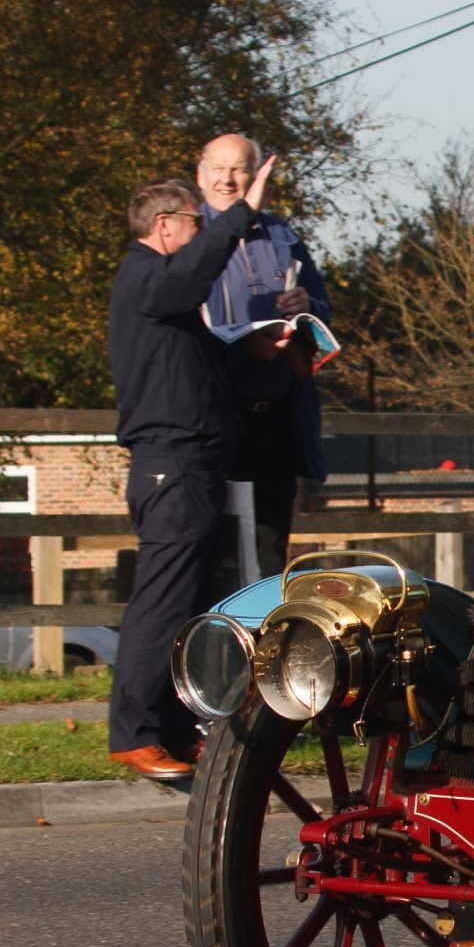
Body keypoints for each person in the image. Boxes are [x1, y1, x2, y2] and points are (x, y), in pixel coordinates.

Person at [108, 159, 275, 781]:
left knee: (189, 605)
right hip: (171, 467)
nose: (203, 233)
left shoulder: (168, 302)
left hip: (194, 467)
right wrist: (240, 215)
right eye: (196, 223)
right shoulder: (146, 279)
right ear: (165, 226)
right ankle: (134, 734)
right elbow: (190, 275)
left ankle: (177, 731)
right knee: (162, 603)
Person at [196, 134, 332, 576]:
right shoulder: (190, 237)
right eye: (218, 169)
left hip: (277, 419)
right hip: (216, 417)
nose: (227, 180)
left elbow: (324, 309)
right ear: (200, 175)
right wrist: (238, 348)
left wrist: (309, 306)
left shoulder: (284, 239)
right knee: (216, 553)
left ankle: (266, 621)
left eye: (237, 170)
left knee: (271, 549)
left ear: (256, 178)